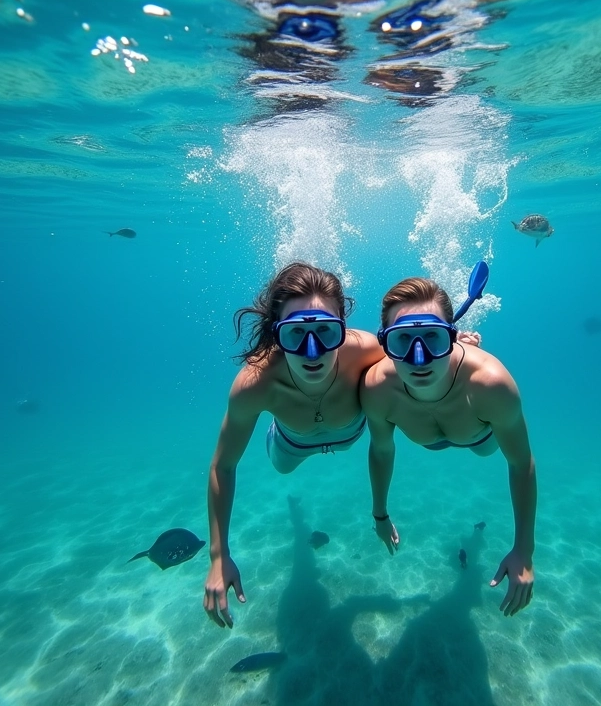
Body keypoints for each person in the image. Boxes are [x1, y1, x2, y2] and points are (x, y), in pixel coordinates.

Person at [204, 261, 382, 628]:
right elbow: (223, 465)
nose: (312, 351)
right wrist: (218, 557)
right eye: (295, 333)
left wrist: (458, 343)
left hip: (349, 436)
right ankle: (283, 455)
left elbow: (421, 346)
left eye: (326, 331)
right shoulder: (255, 383)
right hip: (290, 445)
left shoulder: (368, 350)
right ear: (276, 333)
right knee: (282, 468)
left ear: (343, 329)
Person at [360, 276, 537, 617]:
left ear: (450, 337)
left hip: (480, 436)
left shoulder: (491, 385)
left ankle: (466, 344)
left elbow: (521, 463)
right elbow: (381, 450)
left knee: (485, 449)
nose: (419, 358)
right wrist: (379, 514)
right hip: (439, 434)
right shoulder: (377, 388)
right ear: (385, 343)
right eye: (402, 339)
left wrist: (524, 551)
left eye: (433, 337)